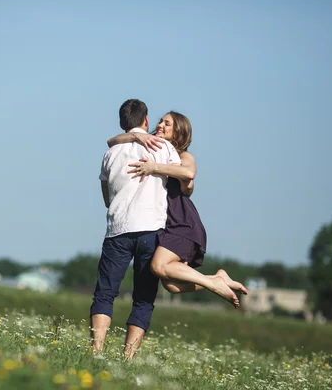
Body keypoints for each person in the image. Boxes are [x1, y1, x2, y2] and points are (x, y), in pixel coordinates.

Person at [108, 111, 248, 311]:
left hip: (181, 223)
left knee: (158, 266)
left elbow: (188, 173)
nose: (160, 125)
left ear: (179, 133)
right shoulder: (156, 149)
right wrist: (136, 135)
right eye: (160, 121)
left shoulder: (183, 156)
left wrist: (154, 168)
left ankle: (215, 283)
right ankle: (216, 279)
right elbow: (111, 141)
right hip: (167, 224)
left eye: (167, 124)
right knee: (172, 285)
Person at [90, 99, 195, 361]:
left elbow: (106, 197)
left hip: (117, 230)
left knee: (105, 293)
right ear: (146, 120)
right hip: (151, 230)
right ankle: (127, 358)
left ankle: (96, 352)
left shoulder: (110, 153)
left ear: (122, 122)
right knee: (144, 298)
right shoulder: (164, 147)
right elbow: (185, 175)